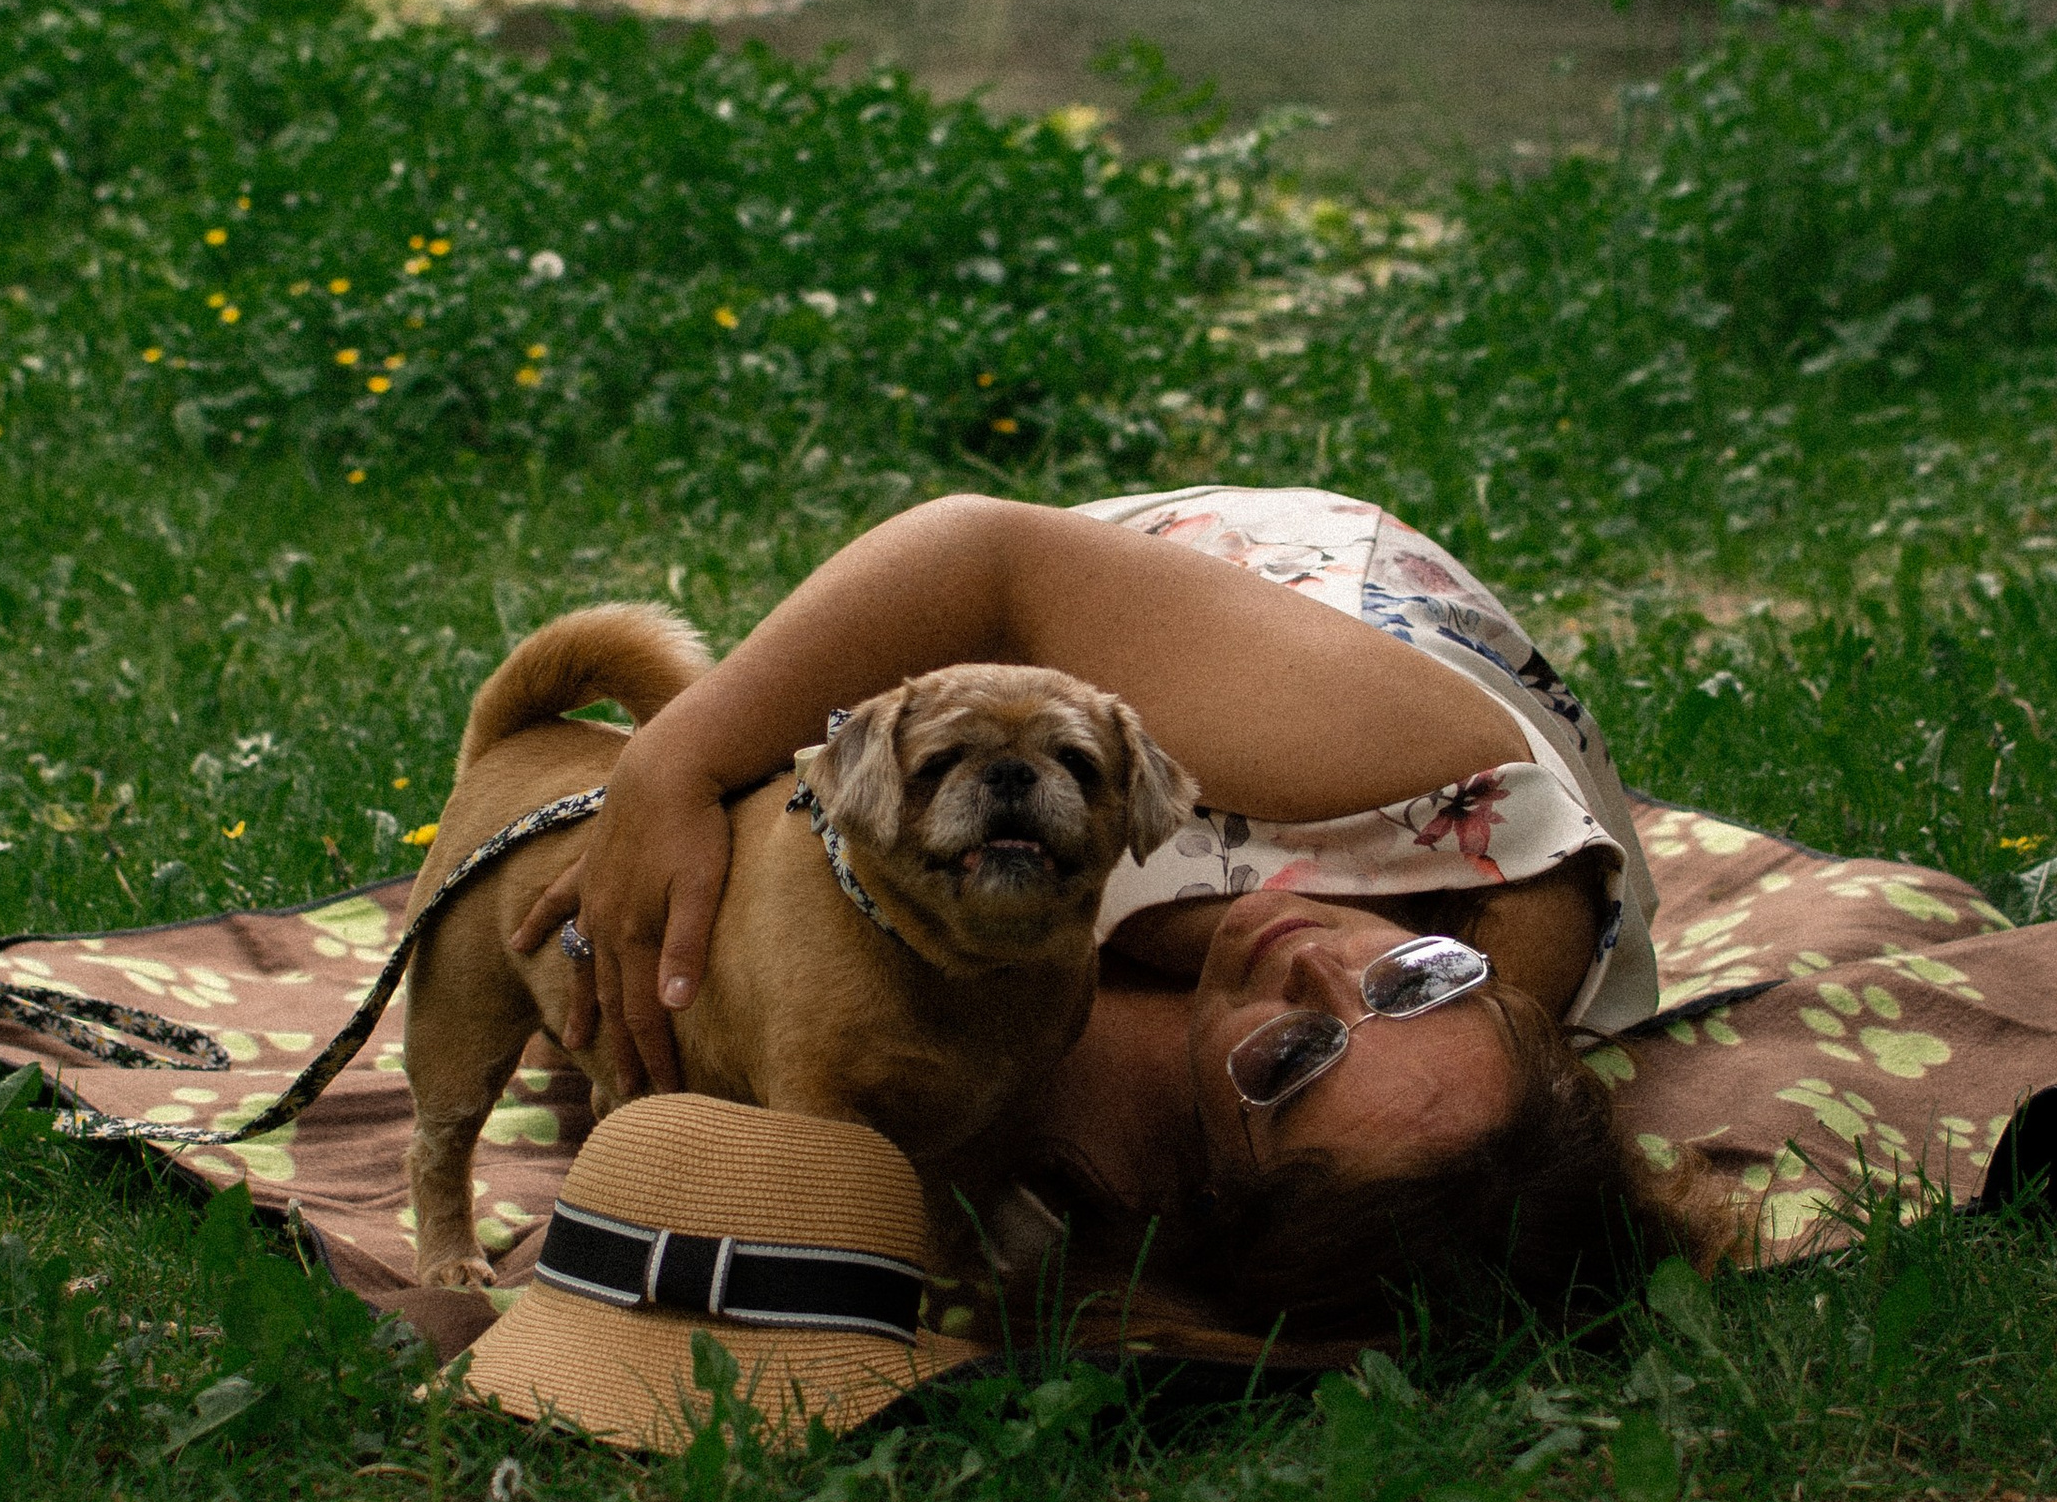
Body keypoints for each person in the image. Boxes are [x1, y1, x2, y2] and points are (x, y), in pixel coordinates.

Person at [515, 487, 1738, 1343]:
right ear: (1502, 998)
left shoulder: (1129, 1125)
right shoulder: (1407, 772)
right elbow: (984, 558)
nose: (1315, 969)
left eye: (1295, 1060)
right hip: (1249, 596)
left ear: (1204, 1180)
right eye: (1415, 979)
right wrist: (669, 771)